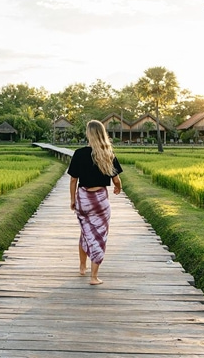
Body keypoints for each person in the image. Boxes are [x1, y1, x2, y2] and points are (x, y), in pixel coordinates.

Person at [67, 119, 123, 285]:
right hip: (100, 201)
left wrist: (72, 200)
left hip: (83, 199)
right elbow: (116, 179)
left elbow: (73, 180)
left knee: (85, 232)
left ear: (88, 134)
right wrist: (118, 188)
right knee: (99, 235)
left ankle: (82, 267)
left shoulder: (79, 153)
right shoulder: (108, 154)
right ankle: (93, 277)